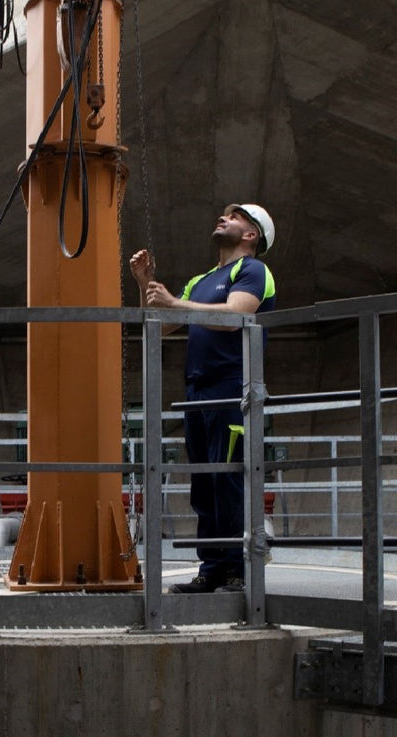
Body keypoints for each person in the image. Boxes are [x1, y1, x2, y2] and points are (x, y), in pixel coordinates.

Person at [130, 202, 276, 593]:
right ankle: (213, 568)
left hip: (233, 389)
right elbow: (159, 328)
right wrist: (145, 284)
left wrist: (176, 303)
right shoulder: (200, 281)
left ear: (251, 235)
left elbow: (234, 317)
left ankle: (238, 571)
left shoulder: (253, 271)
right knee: (205, 485)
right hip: (197, 391)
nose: (223, 217)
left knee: (228, 481)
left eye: (236, 217)